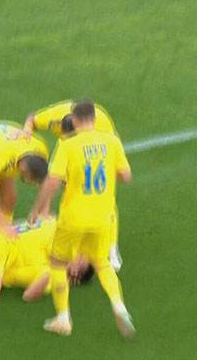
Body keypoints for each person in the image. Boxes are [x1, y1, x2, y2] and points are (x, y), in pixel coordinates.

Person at [28, 100, 134, 338]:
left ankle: (63, 318)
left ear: (74, 120)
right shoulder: (111, 141)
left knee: (57, 263)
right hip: (103, 216)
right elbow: (126, 176)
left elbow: (52, 182)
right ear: (94, 119)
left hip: (74, 217)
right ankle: (119, 305)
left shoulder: (68, 146)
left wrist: (37, 209)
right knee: (102, 263)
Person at [23, 100, 123, 270]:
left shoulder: (101, 125)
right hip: (73, 155)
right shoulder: (55, 119)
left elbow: (113, 154)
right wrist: (26, 130)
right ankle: (73, 234)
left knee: (104, 196)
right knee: (67, 187)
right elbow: (32, 119)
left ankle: (112, 248)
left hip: (99, 155)